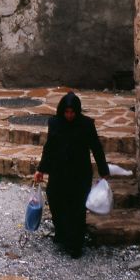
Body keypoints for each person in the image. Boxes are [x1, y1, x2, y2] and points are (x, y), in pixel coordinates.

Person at [33, 91, 109, 258]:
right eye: (66, 112)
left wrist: (103, 172)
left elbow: (96, 148)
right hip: (59, 171)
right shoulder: (54, 123)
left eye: (72, 112)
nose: (69, 116)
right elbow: (49, 148)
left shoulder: (87, 125)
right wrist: (41, 169)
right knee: (56, 201)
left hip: (79, 173)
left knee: (77, 208)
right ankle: (61, 234)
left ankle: (75, 245)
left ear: (77, 111)